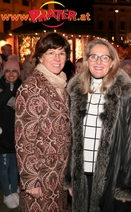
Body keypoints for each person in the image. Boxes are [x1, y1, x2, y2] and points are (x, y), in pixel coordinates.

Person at [64, 39, 131, 212]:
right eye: (94, 57)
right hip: (82, 175)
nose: (98, 62)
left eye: (104, 58)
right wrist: (71, 177)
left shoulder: (123, 94)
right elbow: (70, 139)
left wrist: (125, 185)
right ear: (87, 60)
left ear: (112, 62)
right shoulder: (76, 92)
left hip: (111, 177)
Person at [15, 32, 71, 212]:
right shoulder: (31, 87)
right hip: (40, 176)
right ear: (40, 56)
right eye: (51, 52)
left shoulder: (62, 85)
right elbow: (24, 140)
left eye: (62, 53)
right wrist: (31, 180)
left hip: (58, 174)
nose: (57, 58)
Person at [0, 55, 22, 209]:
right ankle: (7, 193)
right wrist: (9, 91)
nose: (11, 74)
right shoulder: (0, 87)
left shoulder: (23, 88)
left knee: (15, 166)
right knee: (3, 167)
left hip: (17, 136)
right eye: (8, 71)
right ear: (4, 72)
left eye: (15, 71)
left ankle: (14, 191)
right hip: (2, 136)